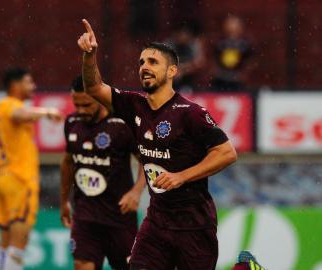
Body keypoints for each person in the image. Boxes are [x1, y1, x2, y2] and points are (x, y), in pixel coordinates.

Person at [77, 19, 237, 269]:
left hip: (194, 226)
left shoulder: (190, 113)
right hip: (156, 224)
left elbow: (226, 153)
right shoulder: (134, 105)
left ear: (172, 71)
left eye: (153, 62)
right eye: (141, 62)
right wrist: (90, 55)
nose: (144, 67)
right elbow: (94, 88)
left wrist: (181, 176)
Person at [0, 67, 63, 270]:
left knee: (4, 242)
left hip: (4, 178)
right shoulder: (10, 105)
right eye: (29, 82)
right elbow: (18, 114)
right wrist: (46, 112)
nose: (33, 86)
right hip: (20, 180)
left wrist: (1, 161)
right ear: (15, 85)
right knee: (19, 243)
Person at [60, 75, 145, 270]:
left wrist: (136, 191)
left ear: (98, 98)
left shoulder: (122, 124)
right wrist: (64, 200)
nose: (81, 111)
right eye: (76, 105)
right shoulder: (72, 122)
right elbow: (67, 161)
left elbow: (145, 161)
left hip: (119, 216)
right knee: (82, 264)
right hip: (85, 216)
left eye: (86, 105)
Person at [211, 15, 253, 91]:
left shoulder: (245, 43)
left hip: (238, 80)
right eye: (229, 25)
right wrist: (216, 71)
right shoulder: (219, 41)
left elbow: (251, 60)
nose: (231, 28)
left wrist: (244, 73)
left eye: (234, 25)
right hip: (220, 79)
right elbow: (212, 58)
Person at [167, 24, 206, 92]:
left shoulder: (194, 45)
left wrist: (184, 70)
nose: (182, 37)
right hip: (171, 75)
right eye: (180, 34)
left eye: (185, 34)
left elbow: (199, 62)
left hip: (189, 77)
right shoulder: (169, 44)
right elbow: (163, 61)